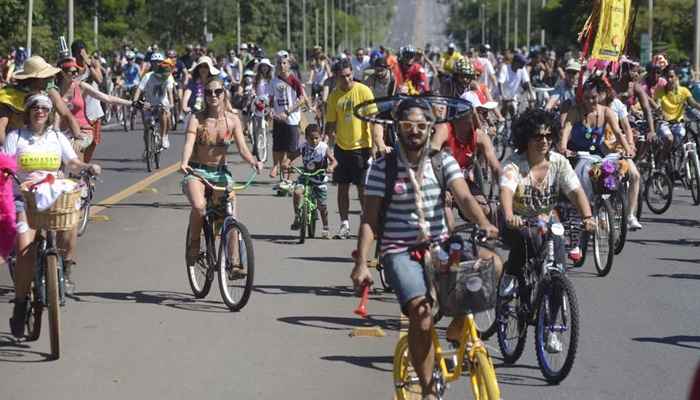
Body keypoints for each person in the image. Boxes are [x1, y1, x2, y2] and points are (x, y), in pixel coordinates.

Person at [351, 97, 498, 400]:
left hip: (441, 245)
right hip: (399, 250)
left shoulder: (442, 161)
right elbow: (369, 220)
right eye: (408, 125)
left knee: (493, 264)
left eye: (421, 125)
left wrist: (484, 221)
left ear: (431, 128)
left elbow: (465, 199)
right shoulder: (382, 168)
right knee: (421, 315)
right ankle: (429, 389)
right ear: (397, 129)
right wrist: (362, 263)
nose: (414, 131)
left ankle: (459, 324)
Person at [3, 93, 102, 338]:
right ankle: (20, 303)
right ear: (28, 111)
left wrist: (88, 167)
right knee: (25, 251)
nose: (40, 111)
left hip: (54, 197)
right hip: (24, 199)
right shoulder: (16, 137)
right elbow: (5, 162)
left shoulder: (57, 137)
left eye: (45, 108)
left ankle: (63, 272)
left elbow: (73, 162)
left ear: (50, 113)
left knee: (69, 233)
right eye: (35, 107)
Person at [499, 109, 595, 352]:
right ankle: (510, 278)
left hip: (547, 222)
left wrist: (587, 217)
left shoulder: (558, 163)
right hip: (519, 222)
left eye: (548, 136)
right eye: (537, 136)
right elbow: (507, 191)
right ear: (526, 139)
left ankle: (551, 329)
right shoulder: (515, 164)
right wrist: (510, 215)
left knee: (557, 271)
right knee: (525, 240)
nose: (543, 141)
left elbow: (575, 191)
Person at [180, 77, 262, 268]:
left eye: (217, 92)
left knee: (229, 215)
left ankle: (233, 263)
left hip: (220, 173)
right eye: (208, 92)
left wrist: (253, 161)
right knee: (199, 206)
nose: (213, 96)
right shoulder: (196, 119)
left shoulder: (233, 120)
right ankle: (193, 244)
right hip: (197, 171)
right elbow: (189, 143)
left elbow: (242, 149)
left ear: (224, 94)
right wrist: (184, 162)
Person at [325, 59, 386, 239]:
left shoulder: (364, 91)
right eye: (342, 77)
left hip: (362, 147)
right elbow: (331, 123)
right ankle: (344, 225)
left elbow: (374, 120)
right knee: (342, 188)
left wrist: (376, 145)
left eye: (349, 75)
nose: (347, 79)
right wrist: (326, 147)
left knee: (362, 189)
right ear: (336, 77)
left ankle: (367, 224)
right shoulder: (334, 96)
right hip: (342, 148)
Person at [55, 57, 133, 159]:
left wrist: (132, 103)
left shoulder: (81, 86)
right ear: (63, 73)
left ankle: (78, 172)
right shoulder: (54, 91)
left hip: (83, 131)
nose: (76, 74)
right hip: (63, 132)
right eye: (72, 72)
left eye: (77, 71)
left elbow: (107, 98)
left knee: (74, 147)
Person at [0, 56, 81, 146]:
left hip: (42, 144)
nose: (50, 79)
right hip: (15, 143)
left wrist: (78, 137)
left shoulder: (50, 92)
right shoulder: (9, 96)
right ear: (36, 79)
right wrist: (9, 153)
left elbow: (67, 115)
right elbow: (1, 128)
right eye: (46, 77)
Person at [290, 124, 337, 239]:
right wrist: (286, 163)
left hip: (319, 178)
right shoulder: (303, 147)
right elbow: (291, 157)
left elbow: (334, 161)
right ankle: (297, 216)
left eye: (317, 138)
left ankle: (325, 227)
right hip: (305, 176)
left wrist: (331, 167)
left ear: (320, 137)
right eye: (311, 138)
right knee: (296, 193)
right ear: (306, 137)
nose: (314, 140)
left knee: (322, 206)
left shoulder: (323, 148)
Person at [270, 52, 307, 183]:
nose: (281, 65)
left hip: (292, 119)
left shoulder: (294, 80)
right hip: (278, 119)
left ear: (289, 65)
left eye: (284, 63)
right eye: (279, 63)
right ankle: (277, 169)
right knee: (278, 147)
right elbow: (271, 99)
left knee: (291, 149)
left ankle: (289, 178)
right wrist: (271, 111)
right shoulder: (274, 81)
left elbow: (301, 99)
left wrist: (288, 111)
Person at [654, 66, 700, 162]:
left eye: (672, 76)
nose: (669, 79)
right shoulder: (660, 90)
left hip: (678, 123)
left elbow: (693, 103)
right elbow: (657, 105)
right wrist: (660, 112)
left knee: (681, 138)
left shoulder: (684, 91)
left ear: (677, 77)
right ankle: (661, 162)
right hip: (664, 123)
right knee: (669, 139)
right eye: (667, 77)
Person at [132, 54, 175, 150]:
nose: (157, 64)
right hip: (149, 104)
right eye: (154, 62)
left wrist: (171, 104)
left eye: (159, 61)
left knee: (165, 115)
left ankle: (164, 136)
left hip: (162, 103)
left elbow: (170, 92)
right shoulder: (147, 76)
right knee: (147, 127)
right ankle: (147, 149)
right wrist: (135, 101)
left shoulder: (168, 75)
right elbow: (139, 89)